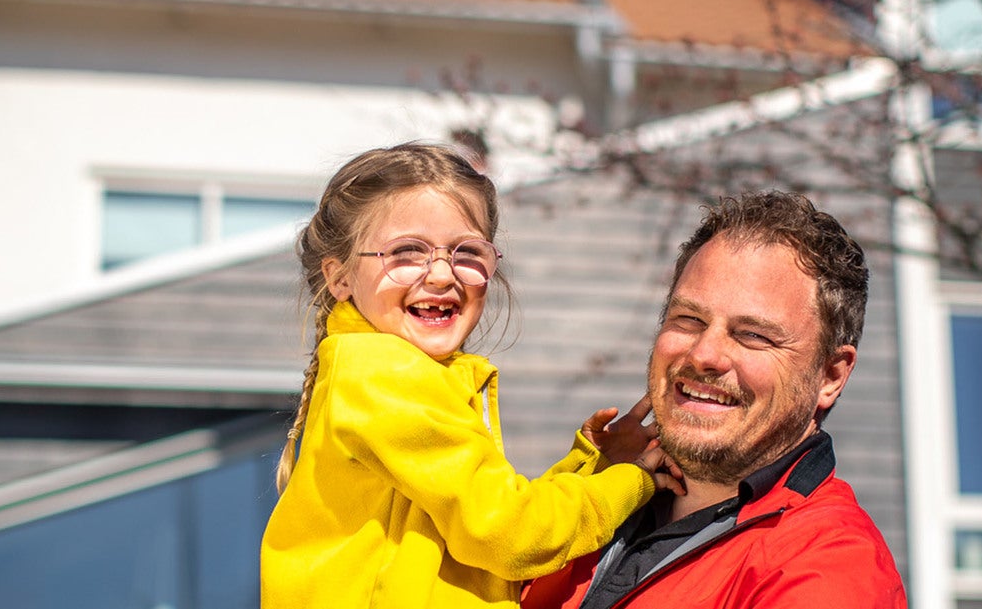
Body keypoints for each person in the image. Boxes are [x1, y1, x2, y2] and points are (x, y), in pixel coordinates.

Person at [260, 142, 682, 609]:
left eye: (466, 252)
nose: (441, 274)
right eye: (406, 252)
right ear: (339, 278)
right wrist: (632, 483)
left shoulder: (392, 374)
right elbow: (511, 535)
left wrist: (593, 468)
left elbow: (482, 515)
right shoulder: (387, 376)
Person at [522, 190, 908, 609]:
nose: (704, 354)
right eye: (688, 320)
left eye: (753, 335)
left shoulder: (830, 570)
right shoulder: (591, 497)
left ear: (830, 376)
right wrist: (588, 485)